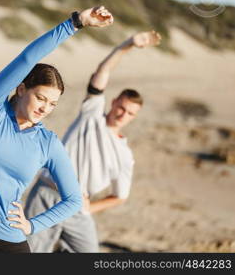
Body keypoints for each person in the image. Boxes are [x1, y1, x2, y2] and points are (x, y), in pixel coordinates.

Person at [0, 6, 114, 253]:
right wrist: (75, 23)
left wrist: (32, 225)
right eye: (41, 98)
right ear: (21, 89)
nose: (45, 108)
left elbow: (73, 200)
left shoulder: (47, 142)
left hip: (7, 244)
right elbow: (27, 59)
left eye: (52, 104)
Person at [24, 30, 162, 252]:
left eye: (130, 113)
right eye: (121, 107)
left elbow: (120, 196)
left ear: (134, 117)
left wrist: (91, 207)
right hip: (47, 195)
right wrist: (128, 44)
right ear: (114, 101)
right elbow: (103, 71)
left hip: (78, 206)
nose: (122, 114)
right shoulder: (92, 114)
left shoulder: (125, 155)